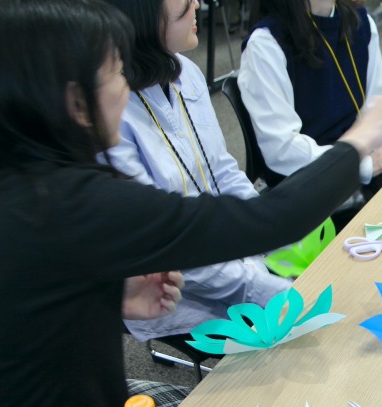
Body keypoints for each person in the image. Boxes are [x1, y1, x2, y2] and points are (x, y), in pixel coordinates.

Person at [0, 0, 382, 407]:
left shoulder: (29, 190)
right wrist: (360, 139)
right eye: (112, 72)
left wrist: (108, 294)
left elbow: (34, 303)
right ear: (74, 102)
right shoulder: (76, 202)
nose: (123, 86)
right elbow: (271, 219)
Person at [103, 0, 291, 347]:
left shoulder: (185, 71)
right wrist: (257, 285)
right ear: (144, 17)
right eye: (184, 3)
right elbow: (162, 241)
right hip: (170, 288)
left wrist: (271, 229)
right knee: (280, 350)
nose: (198, 5)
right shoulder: (112, 112)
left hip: (227, 252)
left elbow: (221, 169)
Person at [238, 0, 382, 227]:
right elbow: (282, 150)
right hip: (311, 197)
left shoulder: (360, 22)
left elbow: (380, 106)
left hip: (364, 179)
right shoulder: (266, 43)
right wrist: (361, 165)